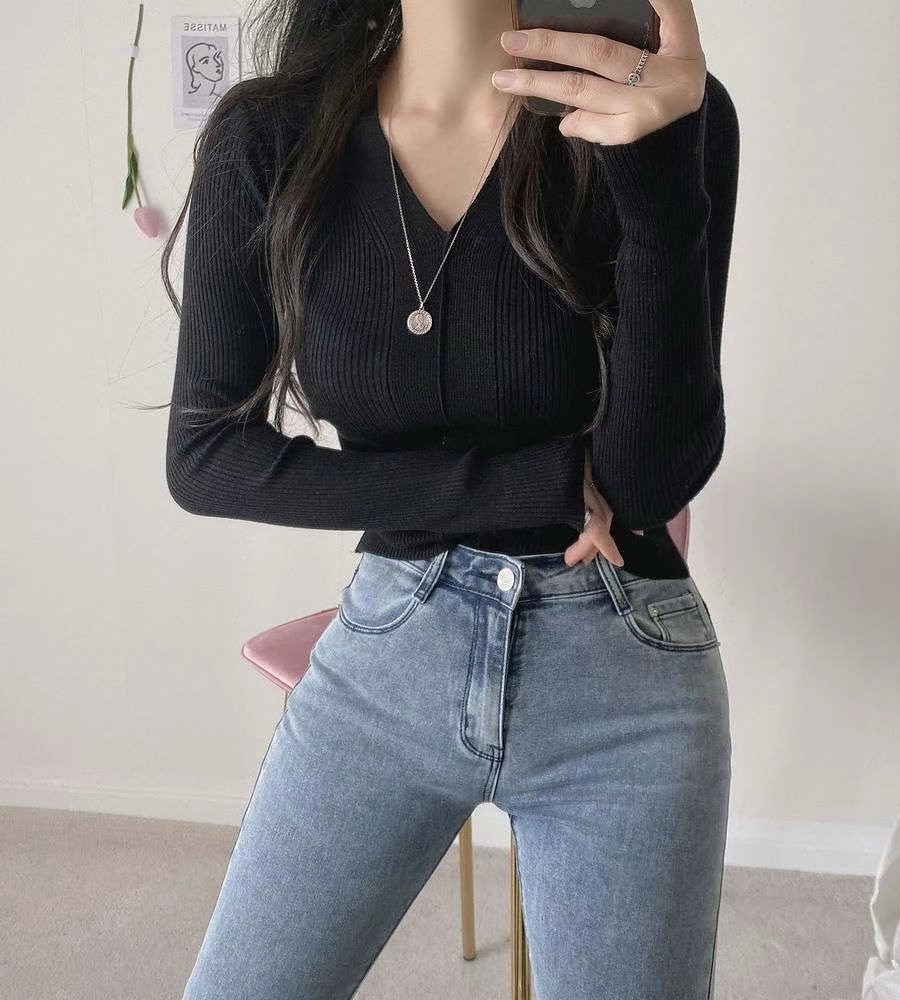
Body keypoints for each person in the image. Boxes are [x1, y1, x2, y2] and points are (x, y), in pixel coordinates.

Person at [162, 1, 739, 997]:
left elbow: (648, 482)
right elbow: (205, 456)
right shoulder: (268, 138)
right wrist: (532, 482)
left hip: (620, 671)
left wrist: (656, 176)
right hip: (390, 660)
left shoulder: (652, 102)